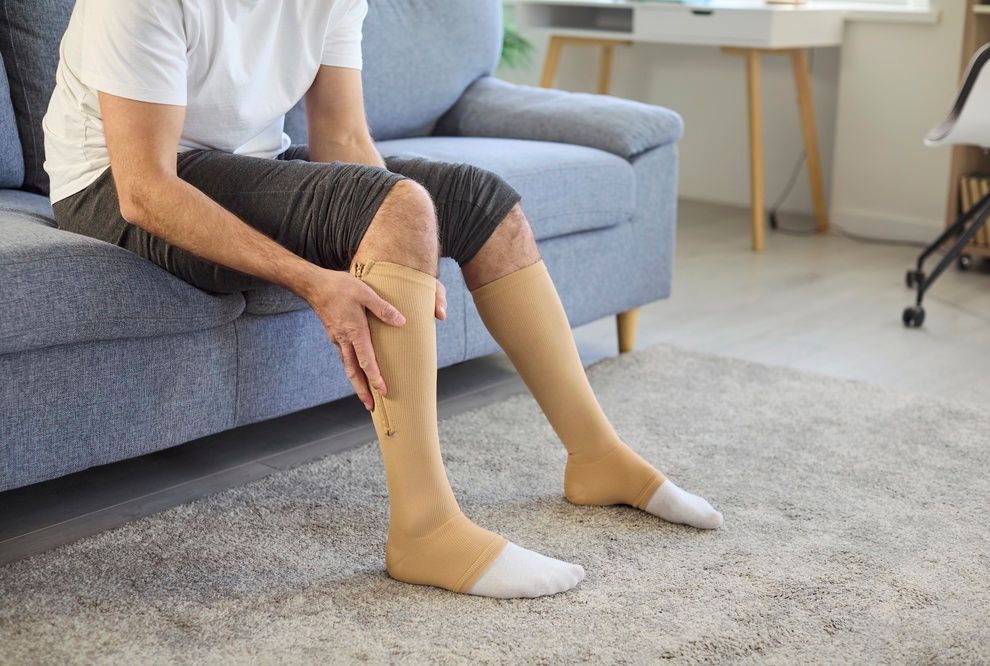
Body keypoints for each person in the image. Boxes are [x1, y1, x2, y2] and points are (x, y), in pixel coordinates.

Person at [43, 0, 723, 599]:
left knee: (481, 203)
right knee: (399, 208)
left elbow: (342, 138)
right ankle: (425, 529)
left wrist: (401, 238)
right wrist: (314, 278)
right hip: (114, 184)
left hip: (246, 164)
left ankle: (596, 457)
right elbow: (145, 189)